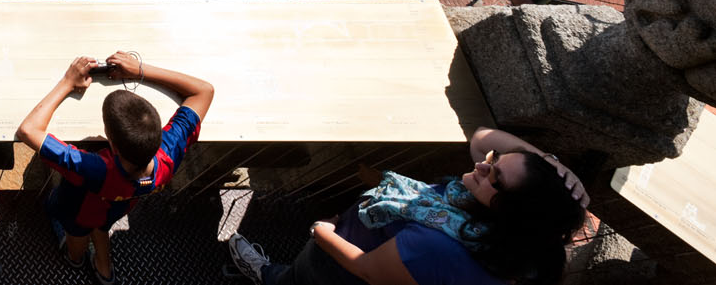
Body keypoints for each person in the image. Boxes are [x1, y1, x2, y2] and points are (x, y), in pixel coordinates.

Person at [228, 127, 589, 285]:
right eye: (496, 160)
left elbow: (367, 269)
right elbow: (482, 137)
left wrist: (321, 232)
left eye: (495, 175)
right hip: (361, 251)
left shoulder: (438, 249)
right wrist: (547, 163)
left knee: (294, 279)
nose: (483, 165)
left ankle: (264, 275)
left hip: (338, 272)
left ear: (511, 208)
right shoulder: (502, 233)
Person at [16, 53, 213, 285]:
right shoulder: (168, 153)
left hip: (79, 210)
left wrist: (68, 82)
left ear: (112, 144)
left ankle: (76, 259)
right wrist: (139, 70)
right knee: (103, 222)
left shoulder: (92, 169)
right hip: (120, 204)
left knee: (76, 231)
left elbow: (28, 130)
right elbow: (204, 91)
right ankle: (104, 268)